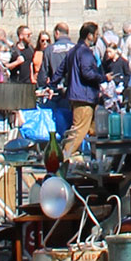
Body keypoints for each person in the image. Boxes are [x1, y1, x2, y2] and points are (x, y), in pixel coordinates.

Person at [52, 22, 106, 161]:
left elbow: (60, 70)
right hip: (84, 97)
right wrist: (103, 77)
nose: (97, 37)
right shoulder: (85, 52)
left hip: (79, 96)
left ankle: (96, 160)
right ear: (89, 36)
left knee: (94, 130)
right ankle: (63, 159)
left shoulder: (72, 51)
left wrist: (51, 85)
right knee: (78, 131)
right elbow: (87, 73)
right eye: (96, 35)